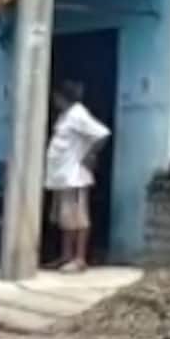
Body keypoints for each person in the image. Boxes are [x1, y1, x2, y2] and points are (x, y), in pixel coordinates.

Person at [45, 79, 110, 272]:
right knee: (65, 219)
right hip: (62, 176)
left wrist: (90, 154)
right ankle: (66, 256)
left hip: (74, 175)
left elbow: (102, 133)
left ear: (61, 96)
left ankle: (79, 258)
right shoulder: (65, 116)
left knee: (78, 218)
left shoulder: (78, 114)